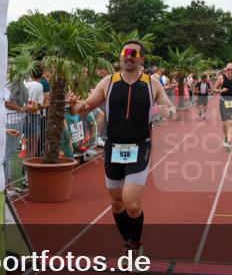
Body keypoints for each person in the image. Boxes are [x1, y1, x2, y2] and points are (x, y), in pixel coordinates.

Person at [68, 40, 174, 255]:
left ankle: (137, 244)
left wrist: (168, 111)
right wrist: (75, 104)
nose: (128, 56)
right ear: (120, 56)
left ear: (141, 59)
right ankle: (127, 244)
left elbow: (171, 108)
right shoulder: (108, 82)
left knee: (131, 203)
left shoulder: (152, 83)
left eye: (133, 53)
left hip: (139, 147)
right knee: (117, 203)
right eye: (125, 52)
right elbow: (85, 107)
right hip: (113, 148)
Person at [214, 63, 232, 150]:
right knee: (224, 124)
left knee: (231, 122)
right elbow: (214, 88)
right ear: (226, 70)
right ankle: (226, 136)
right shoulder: (221, 78)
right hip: (223, 102)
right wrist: (221, 91)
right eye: (228, 69)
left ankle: (229, 142)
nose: (230, 71)